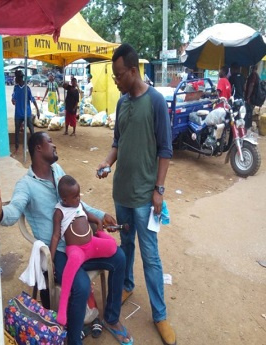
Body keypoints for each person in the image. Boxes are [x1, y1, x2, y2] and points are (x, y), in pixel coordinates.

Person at [0, 132, 132, 345]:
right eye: (50, 142)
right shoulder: (25, 185)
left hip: (83, 244)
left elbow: (77, 203)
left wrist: (100, 215)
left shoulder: (57, 171)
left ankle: (111, 318)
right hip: (61, 253)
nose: (54, 145)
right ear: (38, 148)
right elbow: (14, 210)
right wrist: (0, 213)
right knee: (80, 286)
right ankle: (73, 341)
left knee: (119, 258)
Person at [97, 43, 175, 345]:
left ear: (133, 70)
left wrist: (159, 190)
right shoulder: (122, 103)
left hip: (145, 197)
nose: (116, 81)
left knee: (151, 257)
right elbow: (118, 141)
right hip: (122, 194)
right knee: (125, 244)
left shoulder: (155, 102)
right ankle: (127, 283)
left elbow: (165, 150)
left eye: (119, 75)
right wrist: (106, 162)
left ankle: (160, 315)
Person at [49, 175, 118, 328]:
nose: (78, 199)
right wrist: (51, 259)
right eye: (74, 197)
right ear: (65, 200)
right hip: (76, 250)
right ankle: (62, 312)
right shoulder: (59, 212)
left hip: (91, 244)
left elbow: (88, 214)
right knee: (70, 270)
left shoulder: (79, 204)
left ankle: (101, 235)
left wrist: (98, 221)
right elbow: (55, 236)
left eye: (79, 195)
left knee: (113, 247)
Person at [11, 70, 40, 156]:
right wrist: (13, 100)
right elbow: (13, 97)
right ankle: (17, 147)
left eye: (16, 77)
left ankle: (34, 146)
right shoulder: (15, 88)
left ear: (19, 78)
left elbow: (33, 99)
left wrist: (37, 109)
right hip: (18, 114)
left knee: (31, 130)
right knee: (17, 131)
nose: (15, 79)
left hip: (27, 113)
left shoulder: (27, 88)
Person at [245, 64, 260, 131]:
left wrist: (248, 96)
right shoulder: (257, 76)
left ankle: (247, 128)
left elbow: (251, 85)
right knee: (249, 113)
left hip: (251, 98)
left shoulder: (253, 75)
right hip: (254, 98)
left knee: (248, 113)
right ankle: (248, 127)